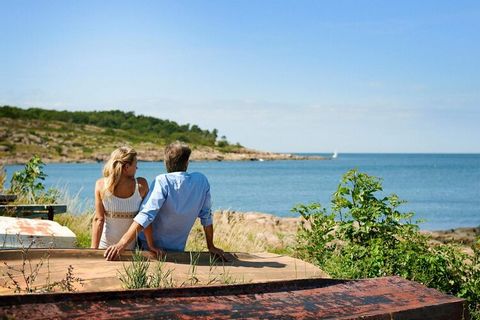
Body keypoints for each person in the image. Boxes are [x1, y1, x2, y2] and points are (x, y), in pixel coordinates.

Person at [104, 142, 225, 261]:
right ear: (187, 162)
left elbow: (145, 215)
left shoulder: (163, 181)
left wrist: (121, 244)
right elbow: (206, 216)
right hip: (177, 249)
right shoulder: (201, 181)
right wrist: (211, 246)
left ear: (166, 162)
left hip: (148, 248)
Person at [91, 146, 156, 251]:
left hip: (104, 248)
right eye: (135, 165)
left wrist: (93, 249)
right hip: (129, 250)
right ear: (127, 167)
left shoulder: (100, 185)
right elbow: (145, 218)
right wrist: (151, 245)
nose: (137, 168)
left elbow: (99, 220)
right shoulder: (141, 185)